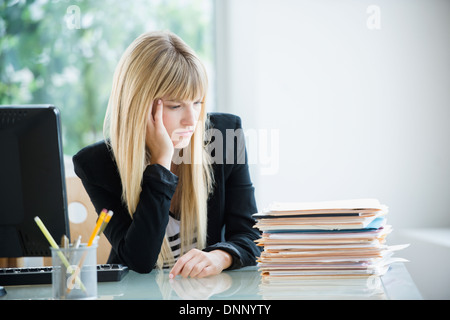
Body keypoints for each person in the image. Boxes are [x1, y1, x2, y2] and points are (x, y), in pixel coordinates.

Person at [72, 30, 261, 278]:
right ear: (138, 105)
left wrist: (219, 256)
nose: (192, 120)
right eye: (175, 105)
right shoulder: (96, 165)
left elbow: (251, 235)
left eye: (197, 103)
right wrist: (161, 163)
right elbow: (140, 260)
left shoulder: (224, 135)